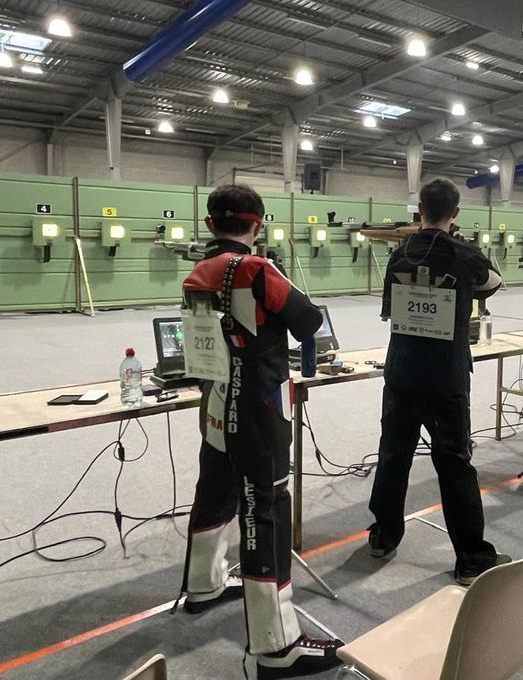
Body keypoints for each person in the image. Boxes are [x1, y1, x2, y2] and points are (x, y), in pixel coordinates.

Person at [179, 185, 344, 677]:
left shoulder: (195, 275)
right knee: (264, 517)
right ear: (258, 224)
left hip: (215, 408)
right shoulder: (256, 270)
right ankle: (275, 648)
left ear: (210, 225)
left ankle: (204, 584)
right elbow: (309, 320)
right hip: (259, 415)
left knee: (213, 492)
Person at [367, 178, 508, 586]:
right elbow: (493, 282)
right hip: (445, 375)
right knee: (454, 463)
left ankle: (383, 535)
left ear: (420, 209)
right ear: (456, 213)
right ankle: (470, 558)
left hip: (403, 371)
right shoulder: (465, 254)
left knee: (394, 455)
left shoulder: (399, 254)